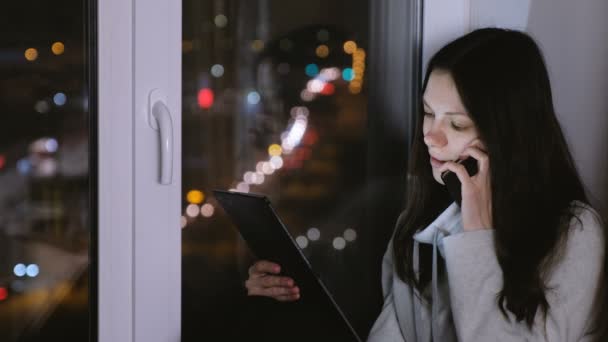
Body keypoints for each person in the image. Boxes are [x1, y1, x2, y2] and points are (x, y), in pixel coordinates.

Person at [245, 27, 607, 341]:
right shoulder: (424, 225)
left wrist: (477, 235)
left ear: (507, 134)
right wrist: (291, 302)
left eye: (458, 124)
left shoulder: (573, 232)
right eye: (429, 113)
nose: (432, 136)